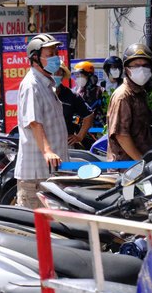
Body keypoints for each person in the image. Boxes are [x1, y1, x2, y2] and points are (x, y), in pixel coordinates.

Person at [16, 34, 68, 209]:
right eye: (50, 53)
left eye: (56, 52)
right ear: (35, 58)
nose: (55, 57)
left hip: (51, 173)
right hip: (37, 175)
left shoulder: (47, 84)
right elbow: (34, 122)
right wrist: (47, 152)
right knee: (34, 232)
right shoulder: (32, 85)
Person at [106, 43, 152, 162]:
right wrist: (142, 162)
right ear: (127, 69)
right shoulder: (123, 96)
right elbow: (121, 135)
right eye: (136, 66)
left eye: (145, 65)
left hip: (137, 166)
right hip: (126, 168)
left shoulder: (139, 93)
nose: (142, 69)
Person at [52, 64, 94, 148]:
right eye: (52, 72)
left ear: (63, 75)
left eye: (58, 72)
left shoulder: (71, 95)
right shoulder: (41, 93)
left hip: (66, 144)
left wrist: (79, 137)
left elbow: (89, 115)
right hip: (45, 143)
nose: (54, 75)